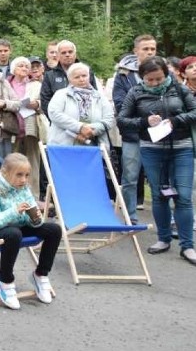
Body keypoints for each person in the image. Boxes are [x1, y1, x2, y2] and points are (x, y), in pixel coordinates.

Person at [117, 56, 196, 265]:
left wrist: (176, 120)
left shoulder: (179, 89)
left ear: (167, 74)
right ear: (142, 77)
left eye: (158, 79)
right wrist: (145, 121)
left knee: (184, 196)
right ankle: (163, 239)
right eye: (149, 79)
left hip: (182, 148)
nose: (154, 83)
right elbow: (122, 119)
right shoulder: (135, 92)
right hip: (151, 149)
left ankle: (188, 246)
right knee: (160, 195)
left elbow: (195, 111)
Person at [0, 154, 62, 309]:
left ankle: (40, 274)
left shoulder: (23, 188)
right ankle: (4, 280)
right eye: (19, 175)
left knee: (53, 230)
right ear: (5, 173)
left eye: (27, 175)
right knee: (14, 233)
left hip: (16, 227)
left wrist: (35, 218)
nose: (24, 180)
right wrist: (15, 211)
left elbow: (32, 220)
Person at [112, 35, 157, 221]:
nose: (149, 52)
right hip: (132, 134)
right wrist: (147, 113)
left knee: (160, 179)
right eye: (145, 48)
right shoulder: (124, 75)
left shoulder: (162, 73)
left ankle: (166, 218)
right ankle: (130, 216)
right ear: (136, 50)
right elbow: (120, 103)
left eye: (153, 49)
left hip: (157, 135)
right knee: (130, 177)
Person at [47, 63, 114, 148]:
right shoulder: (61, 94)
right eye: (77, 77)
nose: (81, 79)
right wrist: (80, 127)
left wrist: (91, 131)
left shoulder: (99, 97)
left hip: (93, 145)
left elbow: (109, 118)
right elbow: (54, 114)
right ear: (70, 79)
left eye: (84, 76)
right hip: (64, 145)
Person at [7, 57, 43, 195]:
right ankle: (12, 195)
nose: (24, 68)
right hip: (11, 127)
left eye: (26, 66)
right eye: (20, 66)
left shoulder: (35, 85)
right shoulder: (6, 84)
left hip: (30, 127)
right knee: (13, 161)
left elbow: (43, 103)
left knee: (33, 162)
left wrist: (37, 104)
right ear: (13, 69)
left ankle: (33, 196)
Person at [40, 40, 98, 115]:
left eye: (70, 52)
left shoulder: (87, 72)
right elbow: (45, 101)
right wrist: (55, 119)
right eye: (63, 53)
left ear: (75, 54)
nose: (67, 55)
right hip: (58, 121)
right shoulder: (50, 76)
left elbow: (95, 95)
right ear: (58, 55)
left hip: (85, 120)